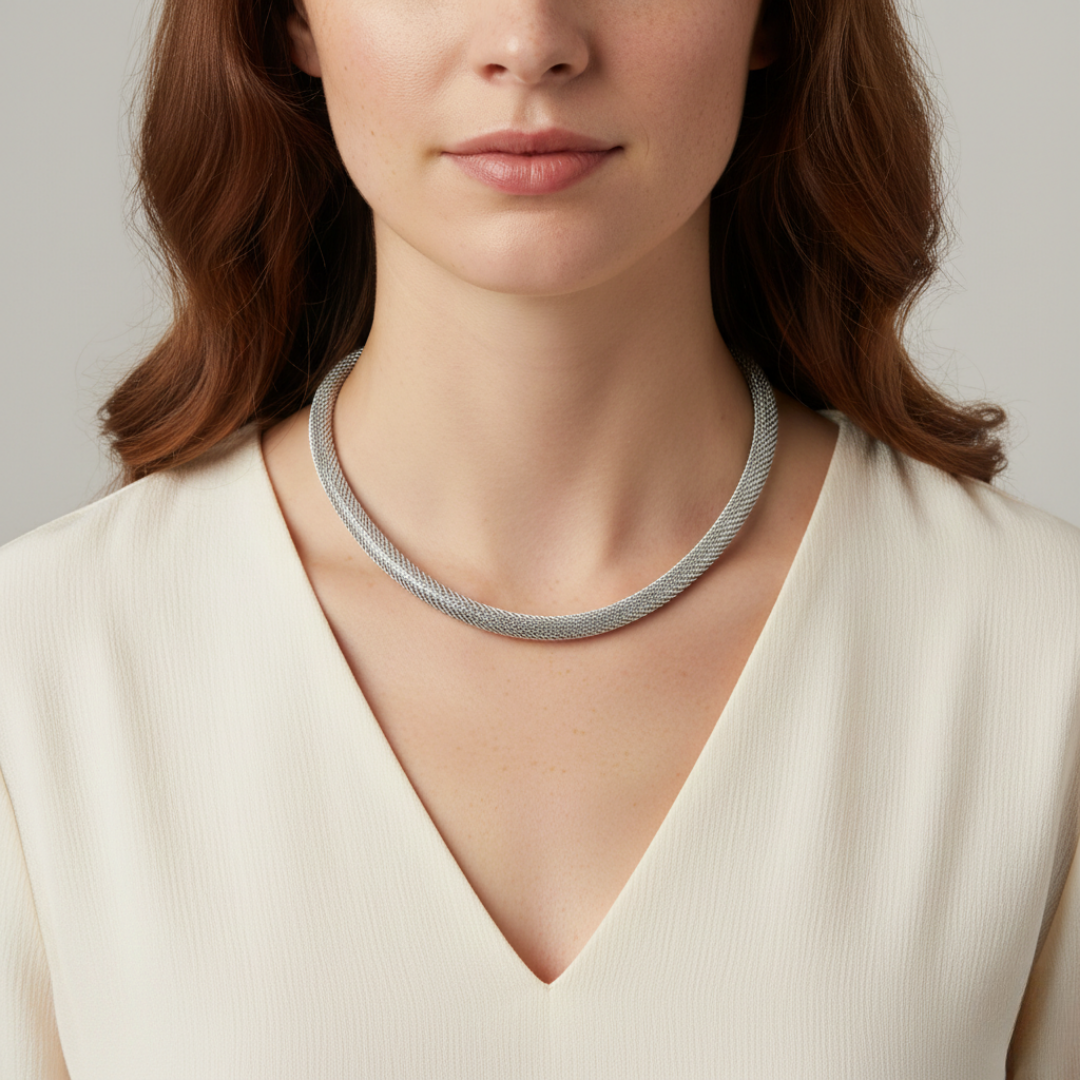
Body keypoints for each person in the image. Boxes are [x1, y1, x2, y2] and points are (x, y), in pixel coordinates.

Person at [1, 0, 1077, 1074]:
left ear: (777, 18)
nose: (530, 40)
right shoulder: (41, 668)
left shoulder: (1039, 656)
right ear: (289, 22)